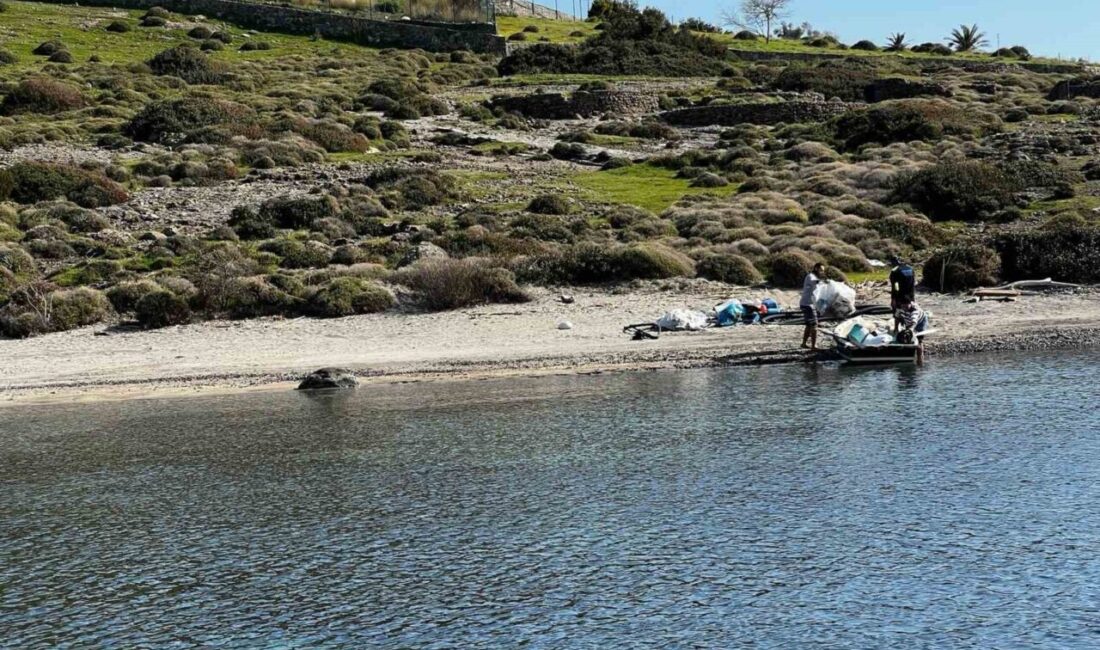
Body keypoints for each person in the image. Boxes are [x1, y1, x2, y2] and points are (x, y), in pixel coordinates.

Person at [800, 262, 825, 350]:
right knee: (814, 325)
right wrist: (825, 281)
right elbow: (815, 282)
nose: (822, 272)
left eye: (823, 271)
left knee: (808, 325)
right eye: (821, 270)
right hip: (808, 305)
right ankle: (814, 346)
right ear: (816, 269)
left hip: (807, 304)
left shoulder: (815, 277)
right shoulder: (810, 276)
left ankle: (804, 343)